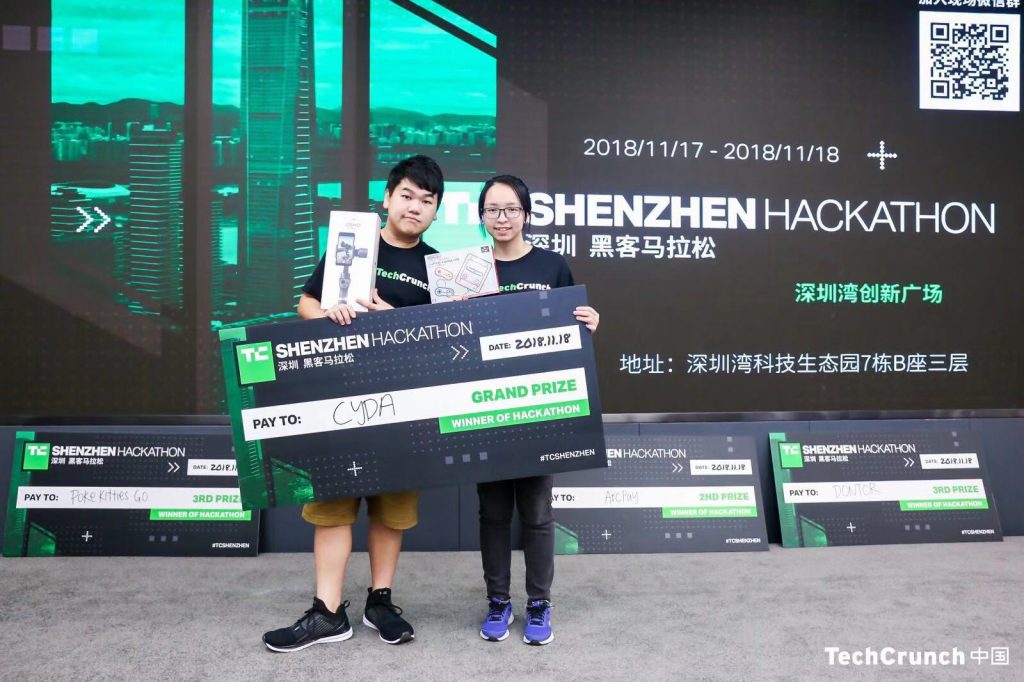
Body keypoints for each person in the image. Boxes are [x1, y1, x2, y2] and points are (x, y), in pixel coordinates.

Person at [263, 155, 444, 652]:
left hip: (404, 410)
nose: (415, 207)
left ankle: (380, 602)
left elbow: (448, 342)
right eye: (406, 195)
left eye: (427, 201)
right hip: (339, 402)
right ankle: (327, 613)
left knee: (391, 512)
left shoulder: (439, 268)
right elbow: (305, 302)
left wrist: (396, 323)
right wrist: (328, 315)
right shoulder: (353, 244)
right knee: (332, 508)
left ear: (435, 212)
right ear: (387, 199)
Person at [473, 175, 599, 646]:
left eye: (510, 209)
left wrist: (589, 323)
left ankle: (540, 603)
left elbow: (570, 330)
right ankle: (498, 601)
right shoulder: (467, 268)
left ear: (526, 214)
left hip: (538, 408)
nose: (501, 218)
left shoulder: (552, 265)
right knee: (492, 513)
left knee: (537, 512)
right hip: (483, 408)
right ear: (481, 216)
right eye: (492, 210)